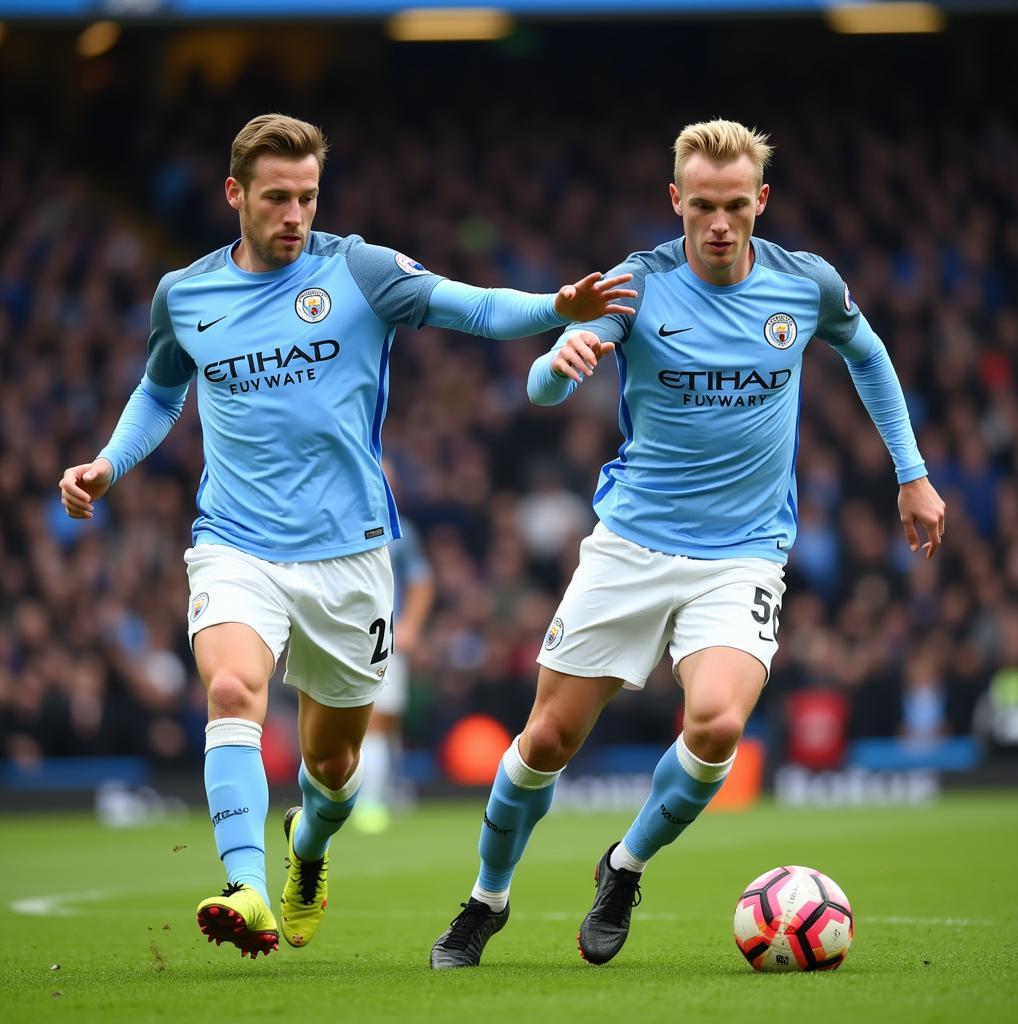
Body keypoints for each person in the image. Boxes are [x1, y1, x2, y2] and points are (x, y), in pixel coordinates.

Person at [58, 113, 635, 960]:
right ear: (235, 195)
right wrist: (109, 463)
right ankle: (246, 885)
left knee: (332, 769)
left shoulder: (359, 270)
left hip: (350, 556)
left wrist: (553, 308)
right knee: (230, 694)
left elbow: (467, 306)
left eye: (308, 197)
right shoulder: (185, 294)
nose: (295, 214)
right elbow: (159, 390)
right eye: (277, 198)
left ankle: (308, 849)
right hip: (236, 541)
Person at [429, 118, 946, 969]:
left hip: (742, 553)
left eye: (735, 206)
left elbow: (869, 353)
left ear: (760, 202)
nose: (717, 223)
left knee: (714, 726)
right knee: (547, 742)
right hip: (630, 545)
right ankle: (488, 898)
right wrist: (561, 364)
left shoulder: (804, 286)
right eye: (700, 205)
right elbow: (538, 383)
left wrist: (912, 472)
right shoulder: (635, 286)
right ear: (675, 200)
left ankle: (624, 866)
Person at [352, 460, 435, 834]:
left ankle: (372, 802)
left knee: (380, 720)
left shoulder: (402, 532)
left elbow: (420, 581)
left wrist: (410, 626)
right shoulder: (336, 522)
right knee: (359, 720)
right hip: (342, 634)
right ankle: (378, 790)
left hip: (382, 635)